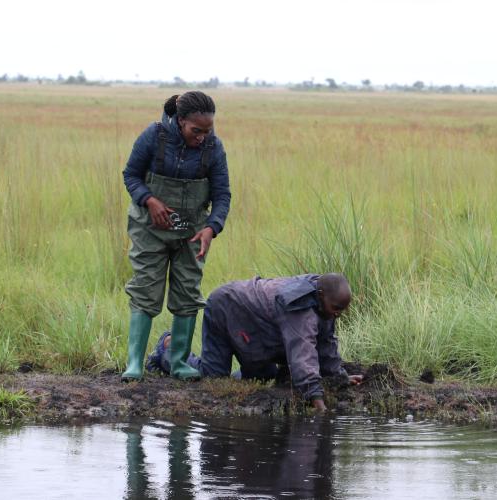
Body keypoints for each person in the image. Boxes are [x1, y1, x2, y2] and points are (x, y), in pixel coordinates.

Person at [120, 91, 231, 381]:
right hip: (149, 229)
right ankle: (135, 364)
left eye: (208, 130)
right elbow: (131, 175)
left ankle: (179, 362)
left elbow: (222, 195)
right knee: (146, 289)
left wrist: (211, 228)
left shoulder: (214, 148)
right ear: (180, 121)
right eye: (197, 130)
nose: (202, 137)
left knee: (187, 292)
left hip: (192, 232)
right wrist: (150, 200)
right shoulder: (154, 137)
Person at [147, 273, 363, 410]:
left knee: (264, 374)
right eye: (336, 309)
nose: (338, 315)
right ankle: (167, 348)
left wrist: (338, 375)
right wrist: (317, 402)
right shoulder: (301, 309)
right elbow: (303, 352)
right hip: (226, 307)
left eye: (342, 311)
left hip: (255, 325)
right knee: (212, 375)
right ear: (321, 294)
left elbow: (326, 342)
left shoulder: (322, 301)